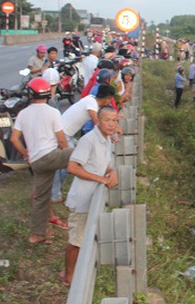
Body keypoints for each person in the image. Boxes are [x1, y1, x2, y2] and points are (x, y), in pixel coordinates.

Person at [61, 106, 119, 285]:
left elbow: (106, 164)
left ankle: (73, 271)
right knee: (76, 241)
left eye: (114, 120)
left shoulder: (106, 139)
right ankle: (68, 277)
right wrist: (101, 179)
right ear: (98, 121)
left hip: (92, 198)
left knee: (83, 238)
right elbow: (73, 167)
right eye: (107, 120)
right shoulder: (89, 140)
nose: (111, 124)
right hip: (82, 200)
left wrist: (112, 172)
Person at [10, 78, 70, 245]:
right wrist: (69, 158)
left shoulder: (23, 113)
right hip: (51, 156)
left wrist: (26, 154)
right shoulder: (53, 112)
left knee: (40, 197)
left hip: (36, 161)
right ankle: (102, 173)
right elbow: (62, 141)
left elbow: (14, 139)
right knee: (81, 152)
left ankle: (37, 234)